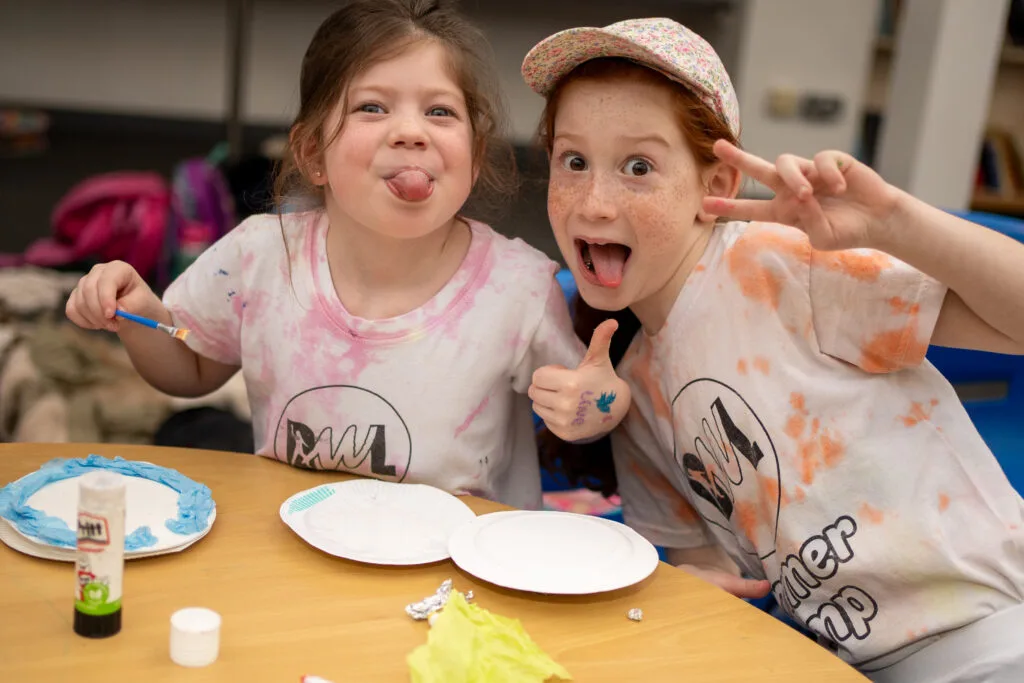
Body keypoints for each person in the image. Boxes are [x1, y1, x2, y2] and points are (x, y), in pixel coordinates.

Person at [523, 17, 1024, 681]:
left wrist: (894, 224)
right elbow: (701, 566)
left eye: (639, 166)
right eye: (573, 161)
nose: (594, 199)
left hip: (991, 630)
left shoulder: (778, 265)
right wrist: (687, 584)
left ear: (716, 186)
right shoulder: (637, 383)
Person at [64, 0, 629, 511]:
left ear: (474, 158)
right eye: (372, 108)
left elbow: (586, 414)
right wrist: (138, 313)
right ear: (313, 153)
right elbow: (189, 369)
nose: (411, 132)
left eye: (439, 113)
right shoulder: (261, 255)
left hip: (457, 574)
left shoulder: (518, 287)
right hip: (297, 552)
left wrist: (600, 401)